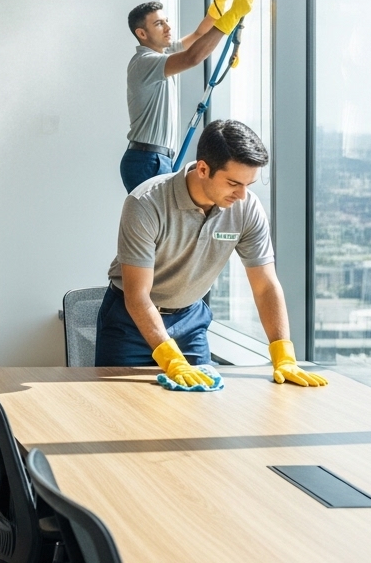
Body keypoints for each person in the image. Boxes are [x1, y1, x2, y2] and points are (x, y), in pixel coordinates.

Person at [96, 119, 328, 390]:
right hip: (129, 322)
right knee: (119, 407)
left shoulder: (246, 208)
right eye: (233, 183)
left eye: (248, 185)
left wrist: (283, 355)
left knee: (200, 410)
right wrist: (172, 361)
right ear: (203, 169)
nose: (242, 195)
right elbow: (137, 297)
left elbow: (265, 286)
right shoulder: (146, 204)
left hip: (190, 319)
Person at [122, 0, 256, 193]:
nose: (167, 27)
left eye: (166, 20)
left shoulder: (164, 53)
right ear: (142, 33)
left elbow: (199, 36)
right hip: (147, 161)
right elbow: (192, 57)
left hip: (157, 159)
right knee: (161, 224)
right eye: (159, 24)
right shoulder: (145, 62)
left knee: (167, 223)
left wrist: (216, 11)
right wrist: (231, 17)